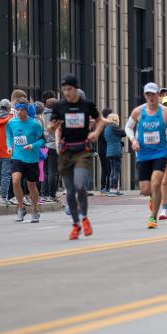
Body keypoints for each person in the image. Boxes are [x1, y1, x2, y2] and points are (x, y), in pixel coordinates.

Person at [49, 74, 105, 239]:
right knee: (70, 191)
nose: (66, 92)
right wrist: (55, 134)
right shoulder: (59, 107)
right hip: (66, 151)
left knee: (79, 185)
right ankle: (75, 225)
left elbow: (100, 120)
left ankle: (84, 218)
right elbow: (53, 127)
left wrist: (95, 132)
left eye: (69, 89)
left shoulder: (87, 105)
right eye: (64, 89)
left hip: (82, 150)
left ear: (76, 89)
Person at [126, 83, 167, 229]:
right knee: (145, 189)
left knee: (156, 183)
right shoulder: (138, 111)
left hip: (160, 152)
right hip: (143, 153)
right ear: (145, 96)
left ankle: (153, 217)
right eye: (148, 94)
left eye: (153, 94)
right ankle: (153, 197)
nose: (151, 97)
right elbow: (128, 127)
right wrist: (133, 140)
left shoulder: (166, 113)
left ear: (158, 95)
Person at [7, 100, 46, 222]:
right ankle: (21, 207)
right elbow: (8, 134)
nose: (20, 112)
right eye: (18, 109)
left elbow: (43, 141)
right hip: (17, 157)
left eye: (22, 110)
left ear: (27, 111)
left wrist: (32, 146)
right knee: (15, 181)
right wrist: (9, 146)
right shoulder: (11, 122)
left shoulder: (35, 124)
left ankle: (35, 210)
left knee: (31, 185)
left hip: (31, 159)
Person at [41, 96, 60, 201]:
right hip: (54, 145)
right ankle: (51, 195)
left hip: (43, 145)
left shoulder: (42, 115)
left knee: (44, 171)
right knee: (53, 171)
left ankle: (43, 194)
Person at [103, 113, 125, 196]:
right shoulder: (113, 127)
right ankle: (113, 189)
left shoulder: (106, 128)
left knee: (112, 171)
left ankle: (112, 189)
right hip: (116, 151)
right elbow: (124, 133)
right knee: (116, 170)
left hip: (109, 151)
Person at [97, 107, 112, 194]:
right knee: (109, 169)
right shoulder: (108, 125)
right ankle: (107, 187)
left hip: (101, 150)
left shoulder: (99, 124)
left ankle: (103, 186)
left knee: (104, 169)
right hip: (107, 149)